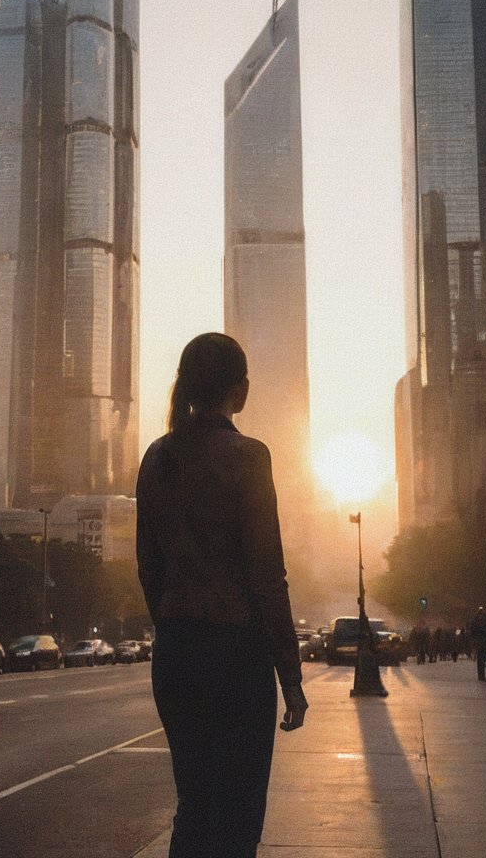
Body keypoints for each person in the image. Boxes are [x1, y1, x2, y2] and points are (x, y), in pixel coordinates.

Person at [136, 332, 308, 858]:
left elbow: (149, 567)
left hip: (177, 655)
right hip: (235, 658)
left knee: (194, 807)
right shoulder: (248, 458)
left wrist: (171, 625)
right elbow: (267, 578)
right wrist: (291, 679)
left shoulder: (157, 458)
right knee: (237, 821)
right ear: (240, 389)